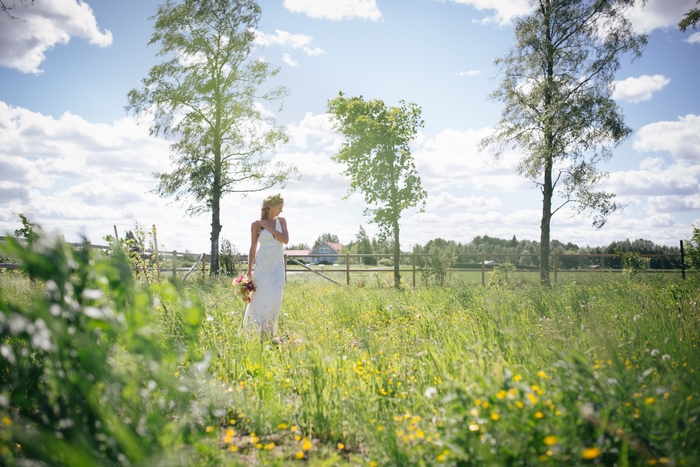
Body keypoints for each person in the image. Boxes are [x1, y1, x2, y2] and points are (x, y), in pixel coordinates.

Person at [243, 193, 289, 334]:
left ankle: (268, 331)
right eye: (279, 207)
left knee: (275, 296)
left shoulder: (281, 221)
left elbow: (285, 240)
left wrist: (269, 227)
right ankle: (254, 331)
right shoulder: (256, 225)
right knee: (259, 298)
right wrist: (249, 272)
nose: (281, 210)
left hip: (277, 268)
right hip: (262, 267)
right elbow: (253, 248)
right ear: (271, 206)